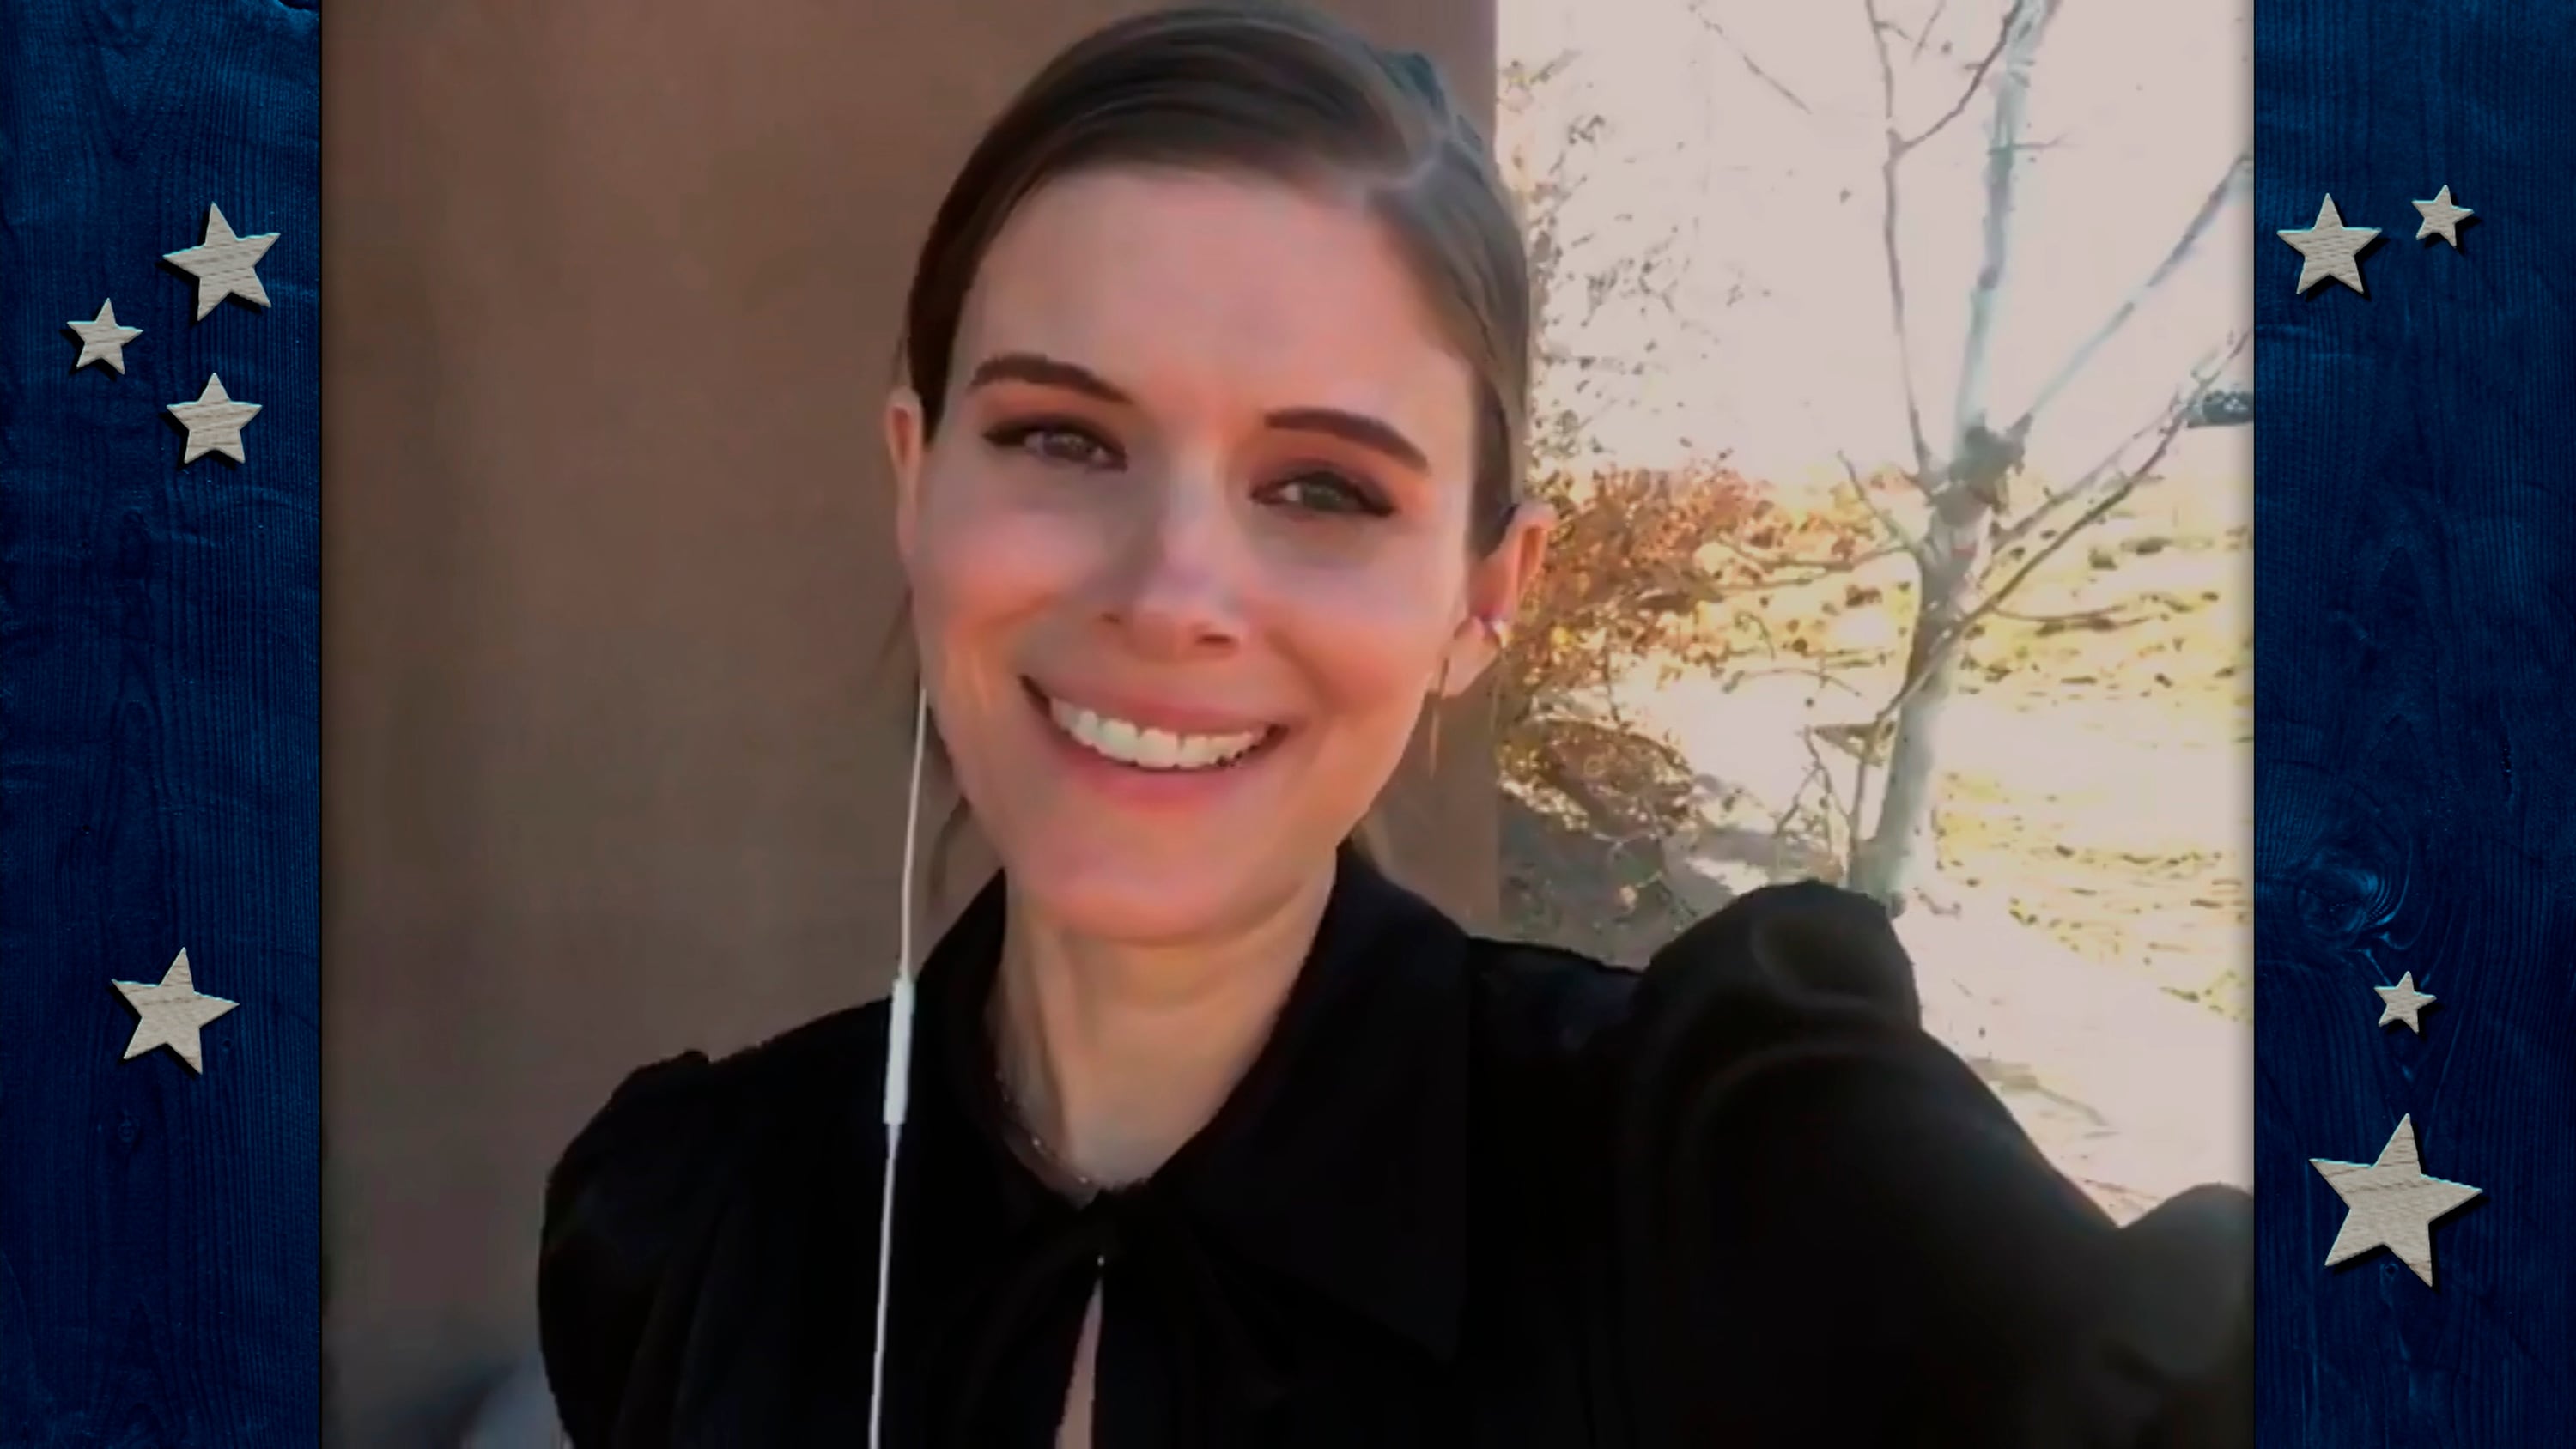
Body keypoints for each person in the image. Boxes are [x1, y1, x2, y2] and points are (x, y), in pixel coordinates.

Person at [534, 3, 2254, 1445]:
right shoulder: (689, 1228)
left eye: (1323, 486)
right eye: (1062, 439)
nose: (1172, 591)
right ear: (918, 484)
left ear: (1485, 597)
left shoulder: (1735, 1185)